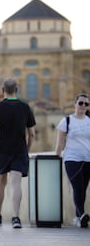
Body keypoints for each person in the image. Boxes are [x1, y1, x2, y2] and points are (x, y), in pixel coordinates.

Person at [0, 78, 36, 229]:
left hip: (2, 150)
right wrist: (26, 150)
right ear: (17, 89)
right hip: (19, 150)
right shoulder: (25, 107)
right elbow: (32, 133)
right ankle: (16, 218)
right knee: (16, 184)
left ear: (3, 90)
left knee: (1, 182)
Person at [55, 93, 90, 228]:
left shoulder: (89, 121)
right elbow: (60, 142)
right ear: (75, 104)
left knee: (83, 189)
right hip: (71, 158)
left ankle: (78, 218)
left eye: (86, 104)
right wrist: (57, 156)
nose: (83, 106)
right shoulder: (67, 121)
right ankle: (82, 214)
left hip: (88, 159)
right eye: (80, 103)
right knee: (78, 186)